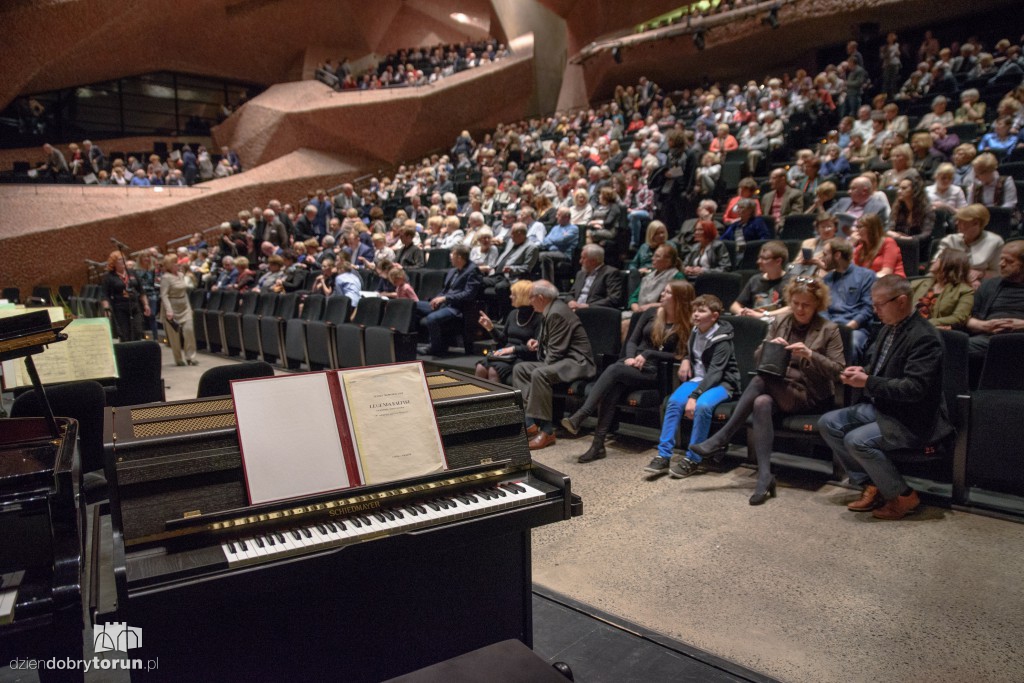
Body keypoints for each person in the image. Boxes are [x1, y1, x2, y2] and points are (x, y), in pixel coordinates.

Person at [691, 277, 845, 504]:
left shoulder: (828, 329)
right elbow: (757, 359)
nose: (800, 309)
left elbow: (839, 370)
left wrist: (810, 355)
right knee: (761, 402)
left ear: (817, 305)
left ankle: (723, 436)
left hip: (810, 394)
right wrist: (769, 348)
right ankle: (764, 477)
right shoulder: (780, 322)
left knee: (760, 382)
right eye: (796, 303)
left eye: (806, 305)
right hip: (780, 388)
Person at [819, 275, 952, 520]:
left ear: (901, 301)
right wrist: (863, 372)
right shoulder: (888, 328)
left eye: (880, 304)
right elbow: (878, 368)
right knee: (828, 423)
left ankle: (903, 495)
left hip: (914, 419)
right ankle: (873, 484)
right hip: (885, 407)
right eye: (874, 304)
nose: (875, 310)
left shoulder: (924, 336)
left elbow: (914, 389)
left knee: (857, 440)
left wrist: (868, 381)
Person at [562, 280, 694, 463]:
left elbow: (681, 355)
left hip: (653, 372)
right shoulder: (650, 313)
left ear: (680, 298)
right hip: (630, 365)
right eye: (663, 291)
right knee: (612, 389)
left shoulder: (686, 323)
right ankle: (597, 445)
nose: (662, 295)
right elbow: (632, 341)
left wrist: (649, 354)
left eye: (668, 293)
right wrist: (631, 357)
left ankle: (583, 414)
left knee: (615, 370)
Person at [651, 294, 740, 477]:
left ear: (714, 316)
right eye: (694, 310)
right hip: (698, 380)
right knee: (674, 402)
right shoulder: (695, 331)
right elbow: (694, 356)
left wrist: (694, 396)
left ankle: (693, 458)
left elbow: (715, 373)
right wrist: (685, 359)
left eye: (702, 311)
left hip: (722, 383)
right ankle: (664, 454)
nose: (696, 315)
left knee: (703, 406)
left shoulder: (722, 339)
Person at [512, 280, 595, 450]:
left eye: (531, 297)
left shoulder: (557, 312)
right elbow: (553, 344)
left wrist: (542, 367)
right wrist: (539, 343)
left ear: (541, 298)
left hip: (577, 362)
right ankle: (529, 424)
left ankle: (547, 431)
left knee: (540, 374)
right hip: (564, 359)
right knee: (520, 369)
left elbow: (556, 351)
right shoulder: (551, 309)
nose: (529, 301)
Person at [415, 244, 482, 356]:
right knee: (413, 305)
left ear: (459, 257)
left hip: (457, 308)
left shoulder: (473, 271)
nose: (450, 257)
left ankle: (435, 348)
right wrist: (437, 299)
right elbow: (445, 290)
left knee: (431, 318)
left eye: (452, 255)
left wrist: (445, 298)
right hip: (445, 304)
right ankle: (412, 342)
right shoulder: (453, 271)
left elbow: (469, 294)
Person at [965, 240, 1024, 366]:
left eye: (1009, 261)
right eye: (1001, 259)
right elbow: (965, 318)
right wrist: (983, 325)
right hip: (989, 338)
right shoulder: (988, 285)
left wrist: (1022, 325)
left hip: (1021, 338)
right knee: (951, 347)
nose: (1001, 264)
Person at [475, 280, 541, 384]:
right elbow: (503, 340)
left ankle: (499, 400)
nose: (510, 297)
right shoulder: (513, 313)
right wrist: (491, 327)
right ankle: (478, 400)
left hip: (522, 357)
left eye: (513, 295)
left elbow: (536, 348)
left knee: (493, 371)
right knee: (480, 368)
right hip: (506, 356)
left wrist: (513, 349)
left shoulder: (538, 317)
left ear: (522, 296)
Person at [821, 238, 876, 360]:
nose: (822, 259)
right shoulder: (826, 279)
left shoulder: (866, 276)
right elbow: (822, 309)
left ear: (837, 255)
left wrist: (848, 328)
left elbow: (868, 308)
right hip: (830, 327)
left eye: (825, 254)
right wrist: (830, 328)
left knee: (851, 344)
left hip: (856, 328)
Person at [933, 204, 1004, 285]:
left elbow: (998, 273)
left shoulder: (995, 242)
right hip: (947, 280)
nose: (957, 223)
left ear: (976, 223)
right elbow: (935, 267)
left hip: (979, 283)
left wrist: (981, 273)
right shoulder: (950, 240)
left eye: (962, 221)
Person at [911, 249, 975, 329]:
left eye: (938, 258)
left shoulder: (965, 291)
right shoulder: (922, 282)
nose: (933, 261)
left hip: (931, 331)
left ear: (950, 263)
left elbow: (959, 318)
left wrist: (928, 323)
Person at [730, 241, 790, 318]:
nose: (758, 261)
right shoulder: (755, 279)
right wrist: (743, 312)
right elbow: (735, 305)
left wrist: (763, 315)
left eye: (764, 258)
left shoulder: (791, 282)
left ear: (778, 261)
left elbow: (792, 308)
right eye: (759, 258)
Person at [101, 249, 150, 341]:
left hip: (134, 306)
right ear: (114, 263)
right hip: (120, 308)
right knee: (125, 334)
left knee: (138, 331)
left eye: (124, 259)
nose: (123, 261)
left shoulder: (131, 273)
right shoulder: (109, 277)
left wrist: (146, 305)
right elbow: (104, 295)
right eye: (120, 260)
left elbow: (141, 291)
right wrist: (106, 309)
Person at [160, 254, 198, 366]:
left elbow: (184, 293)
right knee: (174, 336)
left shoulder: (181, 275)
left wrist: (189, 308)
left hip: (184, 306)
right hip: (172, 308)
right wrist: (169, 310)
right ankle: (178, 359)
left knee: (189, 331)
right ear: (169, 265)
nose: (178, 264)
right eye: (175, 263)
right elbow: (164, 295)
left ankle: (191, 357)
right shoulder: (165, 277)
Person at [568, 244, 625, 311]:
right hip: (574, 309)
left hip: (594, 311)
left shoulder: (610, 273)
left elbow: (614, 298)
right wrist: (571, 301)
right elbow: (571, 294)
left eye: (583, 258)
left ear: (594, 261)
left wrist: (588, 306)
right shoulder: (580, 274)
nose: (580, 261)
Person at [761, 168, 805, 232]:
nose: (770, 181)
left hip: (787, 227)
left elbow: (796, 213)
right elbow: (764, 215)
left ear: (783, 179)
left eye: (773, 178)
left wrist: (780, 223)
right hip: (768, 228)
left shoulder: (795, 194)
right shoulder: (766, 197)